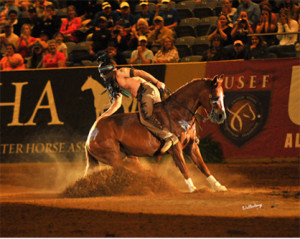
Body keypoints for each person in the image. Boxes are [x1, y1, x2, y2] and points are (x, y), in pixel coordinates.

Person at [97, 52, 178, 153]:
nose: (102, 77)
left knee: (145, 118)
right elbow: (116, 104)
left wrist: (157, 82)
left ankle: (169, 137)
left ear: (105, 74)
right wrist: (102, 117)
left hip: (147, 90)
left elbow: (140, 73)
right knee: (160, 116)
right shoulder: (115, 84)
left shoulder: (120, 72)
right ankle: (181, 133)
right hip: (143, 95)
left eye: (102, 75)